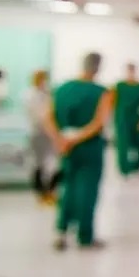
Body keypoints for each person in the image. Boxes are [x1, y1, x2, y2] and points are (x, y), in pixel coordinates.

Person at [42, 52, 113, 251]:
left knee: (68, 188)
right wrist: (76, 139)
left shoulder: (61, 89)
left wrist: (60, 140)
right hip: (89, 147)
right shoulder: (102, 92)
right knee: (88, 190)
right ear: (98, 68)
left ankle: (61, 233)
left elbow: (47, 118)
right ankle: (85, 236)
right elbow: (99, 123)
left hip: (66, 147)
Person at [24, 70, 60, 205]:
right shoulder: (30, 95)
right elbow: (40, 115)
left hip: (49, 133)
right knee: (39, 164)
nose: (44, 82)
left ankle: (50, 192)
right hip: (38, 133)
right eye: (42, 79)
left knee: (53, 164)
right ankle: (42, 195)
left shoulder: (47, 94)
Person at [113, 62, 139, 178]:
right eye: (129, 71)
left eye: (132, 71)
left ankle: (137, 168)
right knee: (123, 144)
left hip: (135, 117)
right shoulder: (119, 86)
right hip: (122, 118)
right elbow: (113, 102)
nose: (130, 73)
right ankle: (124, 170)